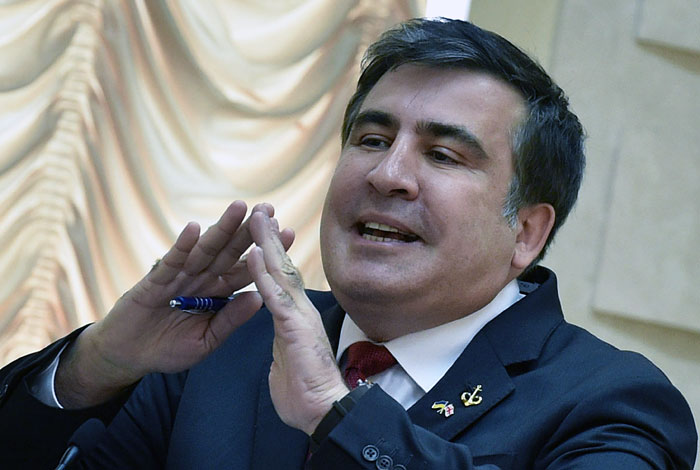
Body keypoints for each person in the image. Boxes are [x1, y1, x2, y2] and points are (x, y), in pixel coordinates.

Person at [0, 17, 696, 469]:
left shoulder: (612, 401)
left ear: (527, 230)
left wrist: (336, 413)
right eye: (370, 138)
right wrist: (93, 368)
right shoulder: (225, 347)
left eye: (443, 155)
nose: (388, 174)